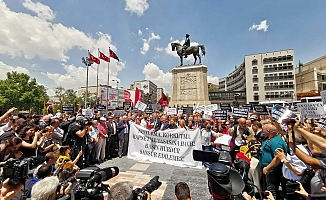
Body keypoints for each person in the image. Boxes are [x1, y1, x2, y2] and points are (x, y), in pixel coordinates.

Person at [259, 124, 287, 199]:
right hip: (266, 168)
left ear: (268, 131)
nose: (262, 131)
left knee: (271, 189)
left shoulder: (276, 142)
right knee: (267, 187)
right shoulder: (268, 138)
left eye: (263, 129)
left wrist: (268, 168)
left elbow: (277, 157)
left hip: (273, 169)